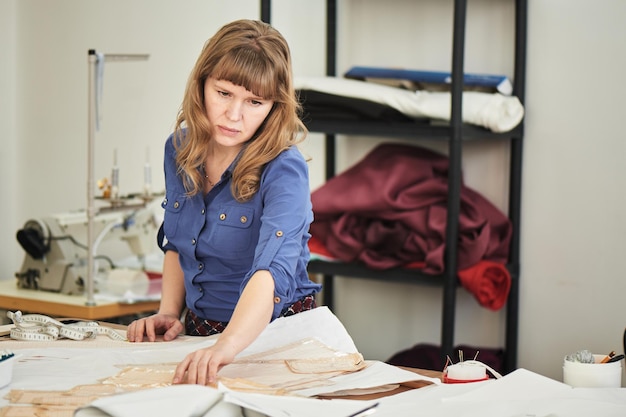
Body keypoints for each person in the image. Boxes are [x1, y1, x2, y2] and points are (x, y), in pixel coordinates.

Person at [127, 19, 321, 386]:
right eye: (224, 93)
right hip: (202, 334)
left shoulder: (284, 169)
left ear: (273, 107)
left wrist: (226, 347)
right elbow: (177, 241)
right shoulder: (179, 149)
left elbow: (271, 271)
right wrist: (169, 312)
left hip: (276, 341)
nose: (234, 115)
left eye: (254, 102)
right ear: (201, 83)